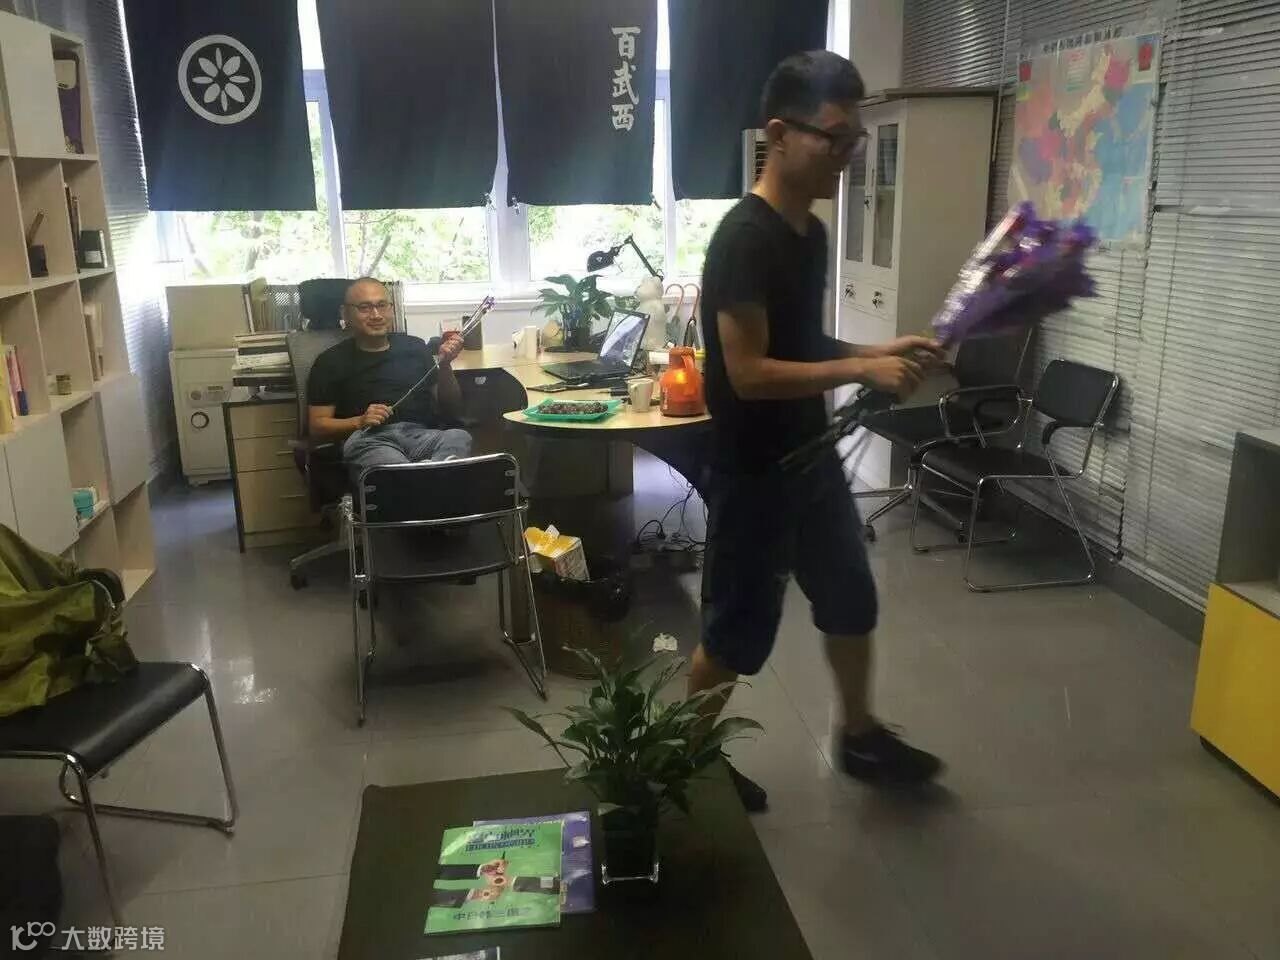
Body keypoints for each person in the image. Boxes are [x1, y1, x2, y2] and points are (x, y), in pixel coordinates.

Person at [691, 51, 946, 811]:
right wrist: (862, 370)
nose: (847, 155)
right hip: (755, 472)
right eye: (834, 138)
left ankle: (859, 735)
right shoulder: (745, 239)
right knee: (737, 635)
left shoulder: (808, 234)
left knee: (850, 598)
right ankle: (685, 766)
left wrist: (877, 350)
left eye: (853, 140)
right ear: (780, 134)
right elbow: (748, 373)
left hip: (812, 460)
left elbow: (800, 347)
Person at [307, 277, 472, 468]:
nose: (376, 315)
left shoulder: (416, 347)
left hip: (420, 435)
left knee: (459, 437)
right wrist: (359, 421)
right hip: (369, 440)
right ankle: (428, 475)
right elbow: (316, 426)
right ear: (345, 313)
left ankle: (425, 475)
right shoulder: (330, 361)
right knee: (397, 470)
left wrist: (445, 365)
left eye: (382, 305)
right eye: (364, 307)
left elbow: (451, 407)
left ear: (391, 309)